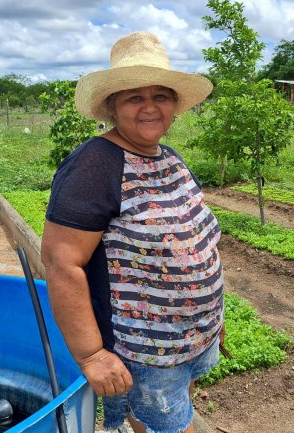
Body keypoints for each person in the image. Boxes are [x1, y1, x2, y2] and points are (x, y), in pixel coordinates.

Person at [41, 31, 224, 433]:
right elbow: (61, 263)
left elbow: (199, 240)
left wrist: (211, 317)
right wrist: (91, 356)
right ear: (112, 107)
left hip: (192, 338)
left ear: (174, 104)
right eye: (134, 97)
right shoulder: (94, 167)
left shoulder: (169, 157)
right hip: (146, 349)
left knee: (178, 410)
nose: (149, 108)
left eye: (160, 96)